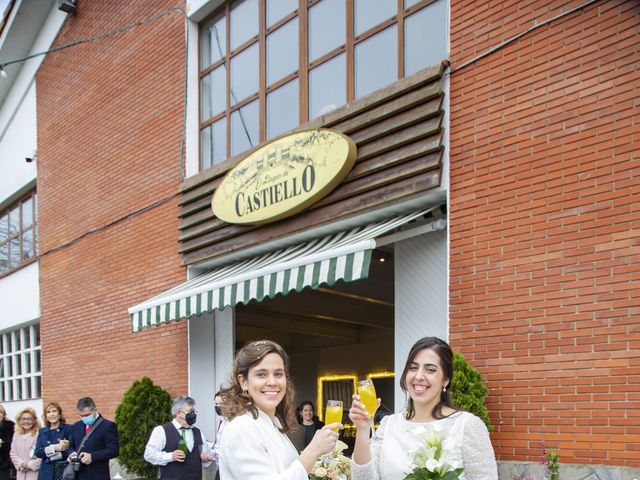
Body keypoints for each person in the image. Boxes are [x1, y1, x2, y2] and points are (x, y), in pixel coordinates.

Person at [349, 337, 498, 480]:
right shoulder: (389, 425)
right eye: (413, 368)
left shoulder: (467, 425)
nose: (419, 376)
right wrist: (362, 430)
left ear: (445, 379)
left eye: (430, 370)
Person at [218, 340, 341, 479]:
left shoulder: (274, 425)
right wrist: (313, 449)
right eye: (261, 374)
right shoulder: (241, 429)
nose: (272, 382)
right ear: (243, 382)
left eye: (278, 374)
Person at [144, 395, 213, 480]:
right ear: (178, 413)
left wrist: (206, 460)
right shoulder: (161, 431)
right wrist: (170, 456)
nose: (193, 414)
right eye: (190, 411)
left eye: (194, 411)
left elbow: (204, 462)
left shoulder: (199, 432)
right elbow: (148, 454)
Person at [67, 397, 119, 480]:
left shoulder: (108, 426)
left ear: (95, 410)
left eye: (87, 415)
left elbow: (114, 450)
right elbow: (70, 446)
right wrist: (71, 454)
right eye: (81, 416)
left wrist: (92, 456)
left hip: (98, 475)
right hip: (78, 474)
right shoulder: (76, 426)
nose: (84, 418)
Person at [34, 402, 73, 480]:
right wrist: (54, 448)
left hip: (63, 470)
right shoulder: (42, 431)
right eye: (48, 412)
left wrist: (50, 457)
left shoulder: (68, 429)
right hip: (46, 472)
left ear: (59, 414)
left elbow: (71, 450)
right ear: (45, 416)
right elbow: (38, 452)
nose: (52, 414)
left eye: (54, 411)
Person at [9, 407, 41, 480]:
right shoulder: (16, 434)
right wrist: (20, 465)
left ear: (34, 420)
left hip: (35, 473)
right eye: (23, 419)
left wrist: (29, 465)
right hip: (21, 473)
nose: (26, 421)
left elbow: (41, 454)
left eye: (29, 419)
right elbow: (13, 453)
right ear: (19, 421)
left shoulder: (39, 434)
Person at [212, 392, 227, 480]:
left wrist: (213, 454)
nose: (218, 406)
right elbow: (218, 444)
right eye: (216, 404)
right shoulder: (222, 422)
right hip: (220, 469)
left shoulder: (234, 422)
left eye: (221, 404)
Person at [0, 405, 15, 480]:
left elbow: (13, 442)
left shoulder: (10, 425)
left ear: (3, 413)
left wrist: (2, 443)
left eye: (0, 412)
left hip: (6, 461)